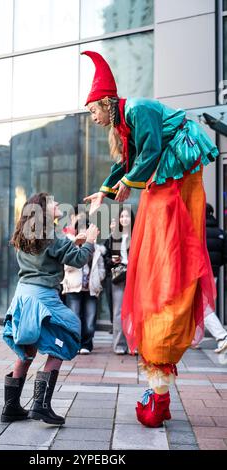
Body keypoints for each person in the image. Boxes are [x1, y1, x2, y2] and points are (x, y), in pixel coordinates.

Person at [82, 50, 218, 427]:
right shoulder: (125, 124)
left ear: (106, 102)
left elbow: (152, 152)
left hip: (179, 170)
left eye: (93, 109)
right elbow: (126, 164)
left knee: (166, 261)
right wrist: (105, 191)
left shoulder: (138, 110)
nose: (92, 117)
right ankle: (161, 389)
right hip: (168, 179)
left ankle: (159, 389)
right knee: (160, 262)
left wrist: (126, 184)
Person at [1, 192, 98, 425]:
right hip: (44, 298)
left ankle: (11, 407)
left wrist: (75, 242)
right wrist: (91, 241)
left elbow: (49, 253)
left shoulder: (25, 236)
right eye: (53, 201)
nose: (57, 203)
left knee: (27, 349)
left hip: (23, 297)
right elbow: (77, 260)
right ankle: (41, 406)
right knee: (67, 336)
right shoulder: (53, 237)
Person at [62, 218, 105, 354]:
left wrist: (99, 278)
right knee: (74, 317)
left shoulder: (96, 248)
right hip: (74, 286)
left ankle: (86, 344)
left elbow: (101, 267)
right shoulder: (71, 245)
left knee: (90, 318)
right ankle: (75, 344)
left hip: (91, 287)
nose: (83, 232)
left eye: (85, 229)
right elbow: (65, 266)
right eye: (80, 229)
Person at [104, 207, 134, 354]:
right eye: (121, 216)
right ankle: (119, 345)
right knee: (118, 312)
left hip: (135, 276)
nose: (124, 219)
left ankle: (133, 345)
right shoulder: (114, 237)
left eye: (127, 216)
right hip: (118, 276)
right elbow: (106, 258)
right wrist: (113, 261)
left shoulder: (137, 235)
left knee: (134, 311)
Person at [204, 203, 227, 353]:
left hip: (200, 273)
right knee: (204, 304)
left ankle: (222, 336)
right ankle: (194, 340)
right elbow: (225, 255)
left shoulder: (199, 231)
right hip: (214, 273)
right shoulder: (221, 233)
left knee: (203, 307)